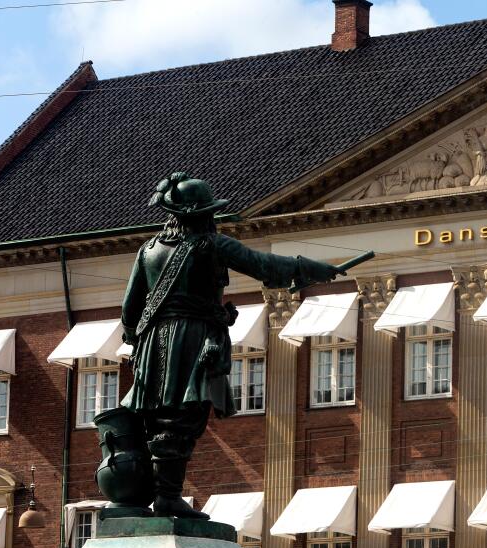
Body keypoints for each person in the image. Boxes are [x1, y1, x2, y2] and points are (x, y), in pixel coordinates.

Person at [120, 172, 344, 519]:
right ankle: (167, 495)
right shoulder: (211, 244)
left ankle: (163, 493)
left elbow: (130, 310)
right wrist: (310, 268)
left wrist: (142, 343)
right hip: (191, 338)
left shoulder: (148, 250)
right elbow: (263, 265)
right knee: (184, 416)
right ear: (201, 215)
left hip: (153, 343)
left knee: (158, 418)